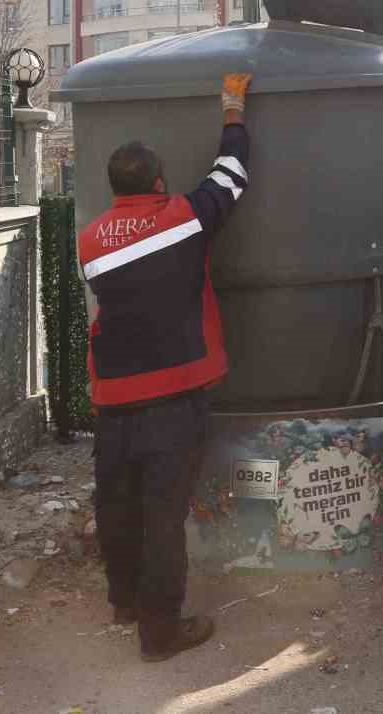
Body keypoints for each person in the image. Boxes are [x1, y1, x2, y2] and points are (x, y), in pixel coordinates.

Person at [78, 73, 252, 662]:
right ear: (158, 181)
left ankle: (125, 601)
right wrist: (233, 108)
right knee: (163, 515)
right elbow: (232, 175)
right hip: (175, 394)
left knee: (118, 505)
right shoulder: (186, 216)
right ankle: (159, 633)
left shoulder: (91, 240)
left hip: (115, 395)